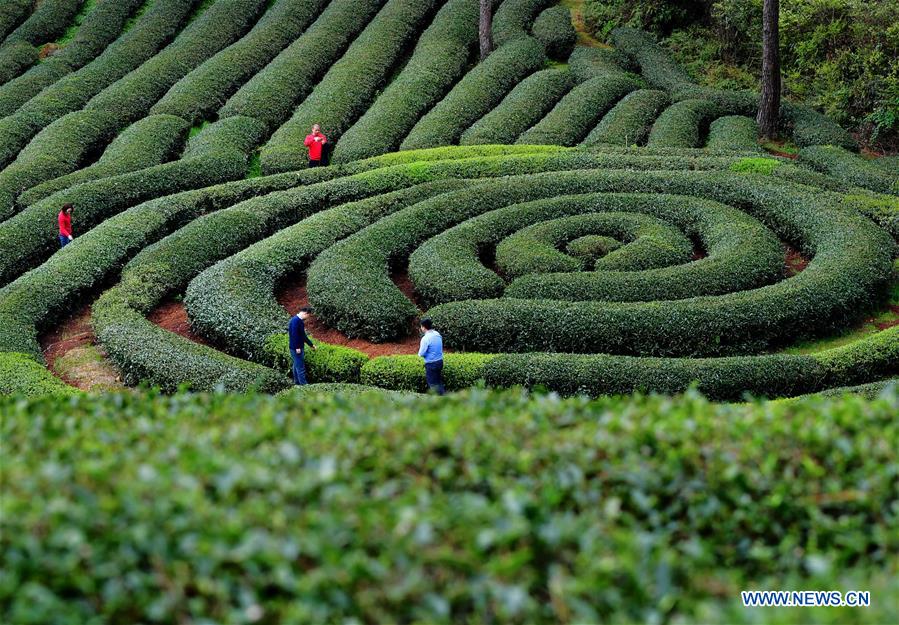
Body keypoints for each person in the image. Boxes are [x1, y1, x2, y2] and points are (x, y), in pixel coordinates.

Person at [288, 307, 316, 385]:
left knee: (296, 365)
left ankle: (296, 383)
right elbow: (294, 335)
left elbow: (303, 335)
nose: (308, 318)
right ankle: (304, 386)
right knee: (300, 368)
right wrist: (297, 347)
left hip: (296, 347)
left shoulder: (299, 321)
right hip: (296, 348)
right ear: (305, 313)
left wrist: (311, 344)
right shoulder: (295, 321)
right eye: (308, 316)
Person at [418, 318, 445, 395]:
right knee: (439, 383)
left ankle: (437, 403)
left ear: (423, 327)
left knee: (432, 385)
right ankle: (445, 400)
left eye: (421, 326)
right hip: (440, 361)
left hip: (431, 364)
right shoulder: (437, 334)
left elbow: (421, 353)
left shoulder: (425, 338)